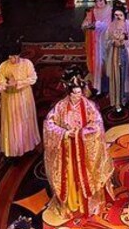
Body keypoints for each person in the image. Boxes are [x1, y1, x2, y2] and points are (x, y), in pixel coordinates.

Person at [43, 67, 114, 219]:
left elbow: (97, 125)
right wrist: (64, 133)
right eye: (74, 93)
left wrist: (80, 134)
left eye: (79, 93)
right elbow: (49, 124)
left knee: (86, 174)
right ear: (69, 93)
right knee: (69, 175)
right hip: (68, 149)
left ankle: (86, 202)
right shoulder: (61, 107)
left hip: (83, 148)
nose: (77, 96)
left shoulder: (89, 105)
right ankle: (72, 202)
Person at [0, 42, 41, 158]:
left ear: (19, 55)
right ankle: (13, 148)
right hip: (9, 99)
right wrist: (4, 85)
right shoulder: (3, 66)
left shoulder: (27, 64)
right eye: (10, 57)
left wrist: (18, 83)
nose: (12, 59)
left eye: (14, 56)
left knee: (24, 119)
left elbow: (33, 78)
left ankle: (26, 145)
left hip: (24, 97)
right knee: (12, 121)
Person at [81, 0, 112, 91]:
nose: (99, 3)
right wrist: (89, 25)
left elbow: (109, 24)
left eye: (101, 0)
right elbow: (85, 24)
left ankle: (108, 81)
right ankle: (98, 82)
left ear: (105, 0)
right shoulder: (92, 12)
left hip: (107, 38)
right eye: (97, 1)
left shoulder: (110, 10)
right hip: (96, 40)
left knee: (108, 59)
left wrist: (97, 25)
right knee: (98, 59)